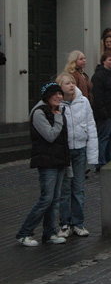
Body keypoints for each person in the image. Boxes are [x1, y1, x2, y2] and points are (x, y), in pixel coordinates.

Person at [16, 82, 70, 246]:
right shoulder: (40, 112)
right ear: (47, 96)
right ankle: (24, 232)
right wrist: (59, 118)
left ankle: (49, 233)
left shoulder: (57, 111)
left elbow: (64, 139)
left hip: (59, 160)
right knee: (46, 199)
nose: (59, 97)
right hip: (46, 161)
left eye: (60, 94)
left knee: (54, 199)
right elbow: (50, 135)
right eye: (55, 94)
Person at [56, 73, 98, 238]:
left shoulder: (83, 101)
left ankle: (78, 223)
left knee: (78, 188)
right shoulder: (57, 104)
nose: (71, 85)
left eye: (72, 82)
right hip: (65, 151)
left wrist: (93, 154)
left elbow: (91, 125)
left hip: (79, 149)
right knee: (65, 189)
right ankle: (64, 224)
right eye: (67, 83)